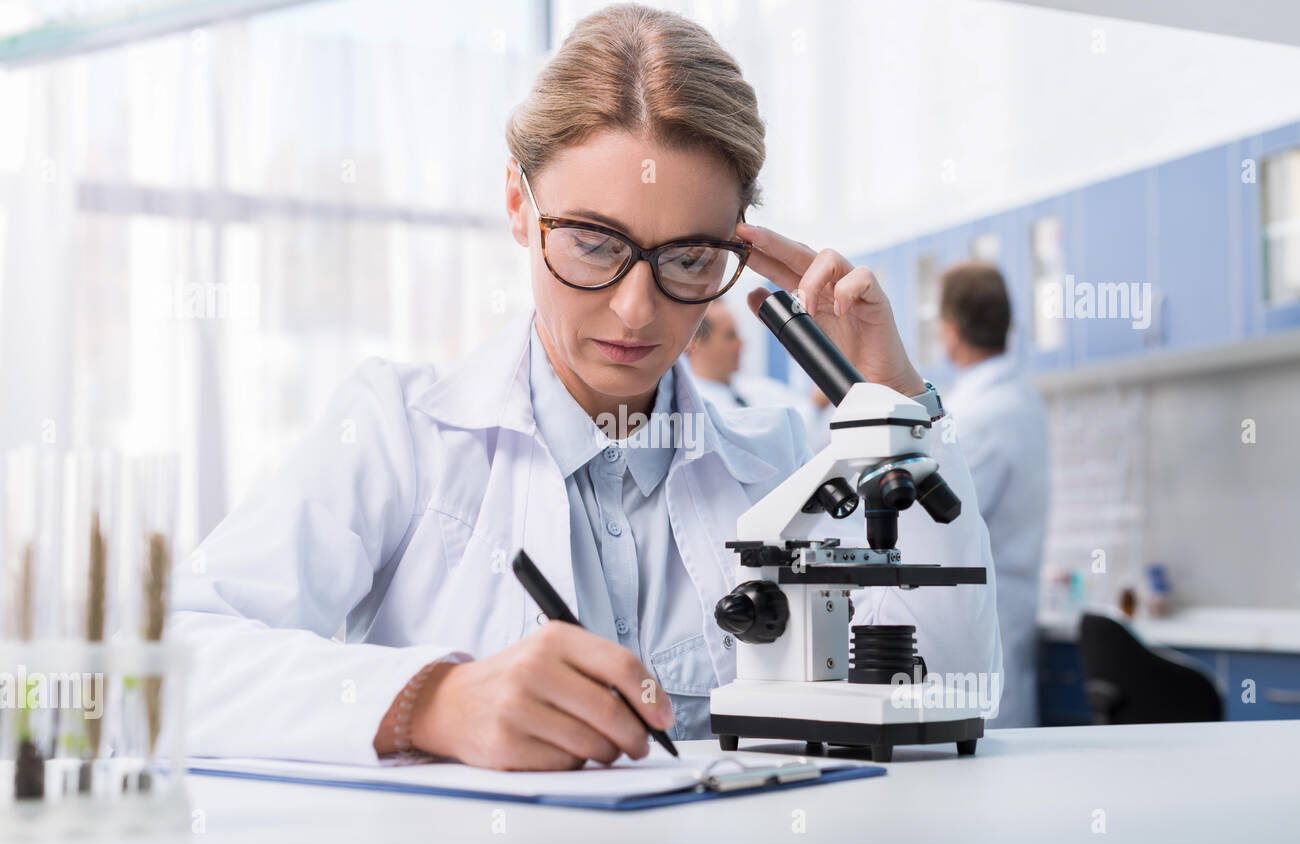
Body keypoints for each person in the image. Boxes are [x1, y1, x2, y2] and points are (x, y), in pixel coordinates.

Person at [167, 3, 1002, 771]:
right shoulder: (401, 432)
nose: (637, 310)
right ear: (519, 206)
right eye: (596, 244)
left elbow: (952, 694)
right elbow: (184, 654)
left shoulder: (781, 462)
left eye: (688, 259)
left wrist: (894, 404)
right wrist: (432, 702)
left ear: (734, 251)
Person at [937, 261, 1049, 729]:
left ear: (950, 332)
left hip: (978, 632)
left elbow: (939, 524)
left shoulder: (975, 415)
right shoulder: (1023, 402)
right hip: (1008, 614)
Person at [685, 296, 819, 433]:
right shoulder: (692, 411)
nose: (741, 343)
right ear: (693, 344)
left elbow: (804, 418)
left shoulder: (760, 389)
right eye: (730, 335)